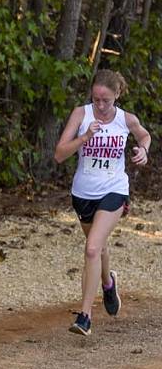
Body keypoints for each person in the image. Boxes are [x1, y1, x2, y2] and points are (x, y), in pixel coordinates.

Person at [54, 69, 150, 335]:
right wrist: (84, 137)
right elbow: (60, 154)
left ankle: (84, 316)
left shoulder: (125, 119)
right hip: (84, 193)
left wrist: (143, 150)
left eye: (105, 100)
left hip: (114, 190)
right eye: (96, 99)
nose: (100, 105)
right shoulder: (80, 114)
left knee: (92, 249)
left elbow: (144, 135)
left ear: (117, 95)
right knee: (98, 247)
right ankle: (108, 284)